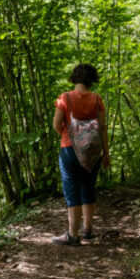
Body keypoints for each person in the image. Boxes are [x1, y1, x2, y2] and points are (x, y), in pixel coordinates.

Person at [51, 63, 110, 245]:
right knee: (88, 187)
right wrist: (106, 154)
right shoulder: (96, 99)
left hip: (69, 148)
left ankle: (72, 235)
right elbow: (102, 128)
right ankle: (87, 229)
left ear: (74, 78)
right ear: (92, 80)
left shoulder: (65, 98)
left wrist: (67, 134)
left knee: (72, 191)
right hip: (93, 150)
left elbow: (56, 124)